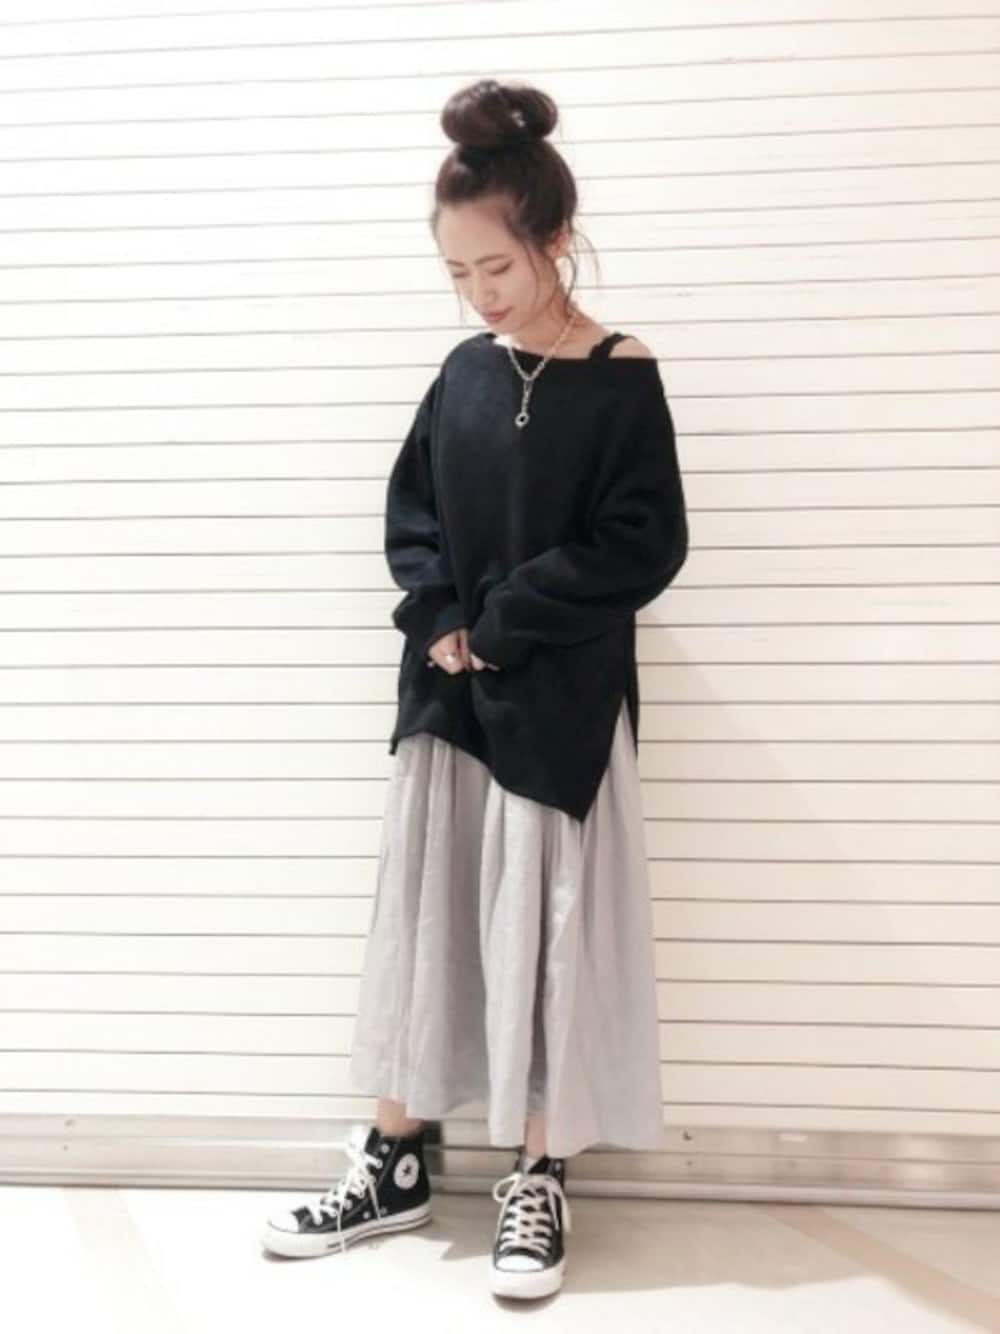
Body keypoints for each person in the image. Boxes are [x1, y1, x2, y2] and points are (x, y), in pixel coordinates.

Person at [261, 77, 688, 1302]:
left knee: (546, 934)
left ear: (555, 236)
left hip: (557, 710)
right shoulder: (461, 371)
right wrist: (442, 617)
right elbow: (414, 516)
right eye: (457, 273)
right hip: (449, 697)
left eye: (494, 265)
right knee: (428, 922)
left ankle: (538, 1173)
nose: (479, 293)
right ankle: (395, 1157)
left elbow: (641, 543)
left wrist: (505, 621)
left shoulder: (620, 373)